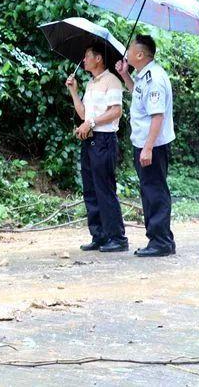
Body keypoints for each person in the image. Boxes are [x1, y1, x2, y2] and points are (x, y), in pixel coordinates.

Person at [115, 34, 176, 257]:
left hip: (153, 145)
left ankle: (160, 242)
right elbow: (137, 94)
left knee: (154, 191)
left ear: (140, 55)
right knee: (149, 189)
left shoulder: (155, 79)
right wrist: (124, 75)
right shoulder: (144, 75)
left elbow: (157, 116)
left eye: (130, 49)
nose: (127, 51)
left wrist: (148, 147)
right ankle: (163, 239)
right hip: (143, 142)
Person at [65, 42, 127, 253]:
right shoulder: (91, 84)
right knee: (90, 189)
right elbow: (83, 114)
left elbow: (115, 111)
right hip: (89, 140)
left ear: (98, 59)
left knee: (104, 189)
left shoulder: (112, 81)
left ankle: (117, 238)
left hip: (104, 140)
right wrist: (74, 92)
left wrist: (91, 123)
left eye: (87, 56)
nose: (84, 60)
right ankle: (99, 235)